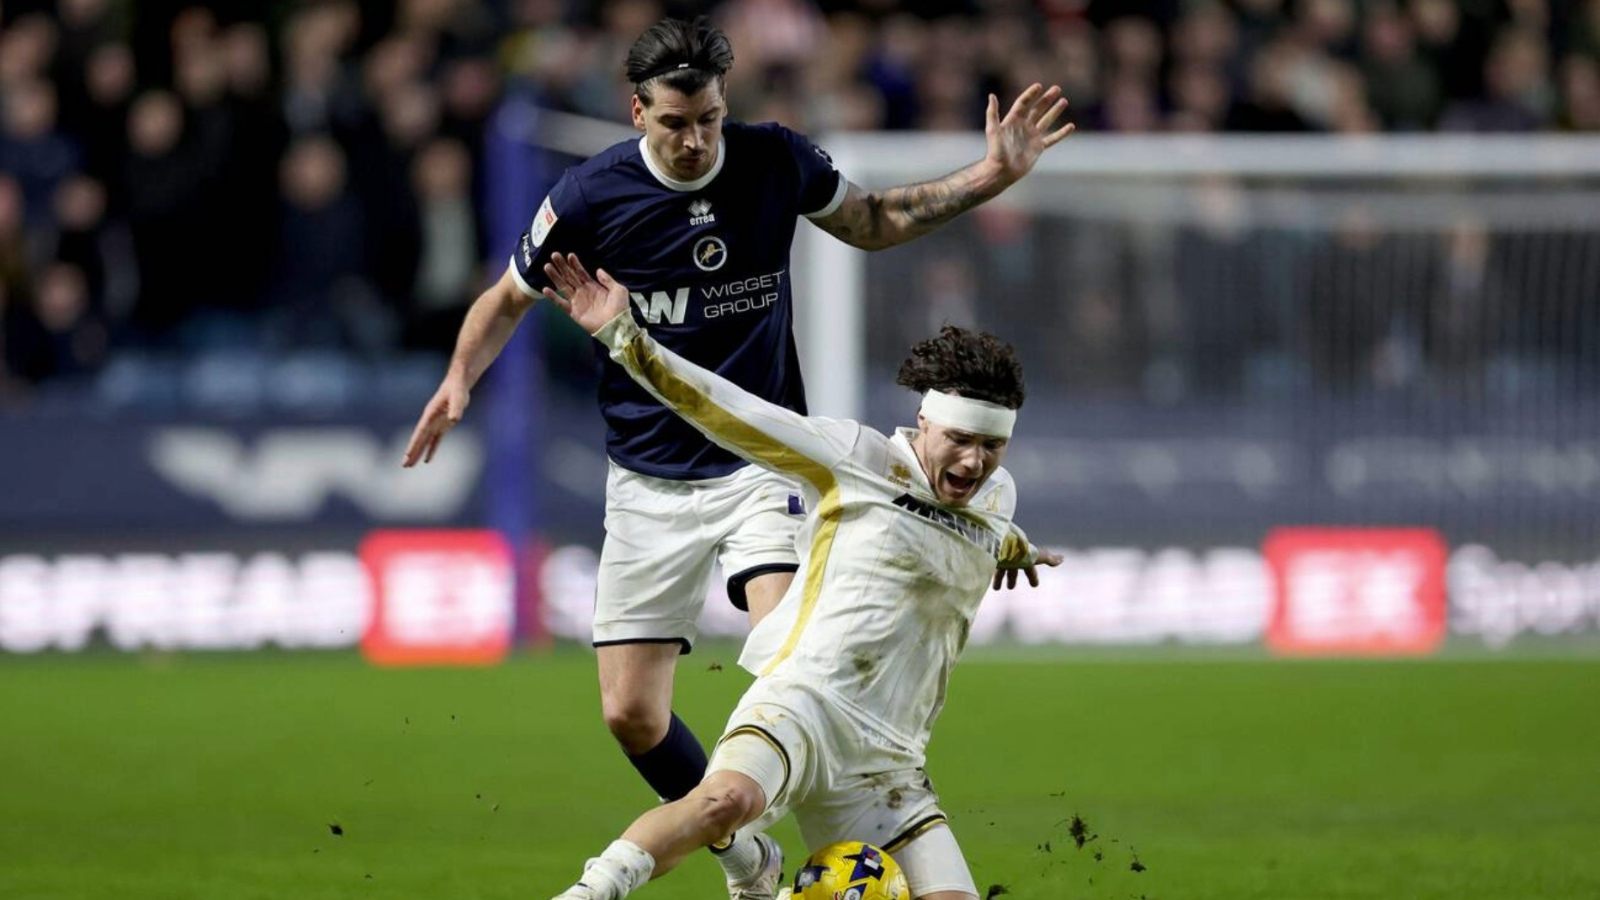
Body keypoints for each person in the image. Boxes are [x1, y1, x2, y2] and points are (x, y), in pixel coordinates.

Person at [401, 17, 1073, 898]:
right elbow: (505, 298)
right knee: (630, 714)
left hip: (764, 465)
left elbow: (871, 221)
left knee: (786, 642)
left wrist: (989, 176)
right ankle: (746, 851)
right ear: (636, 110)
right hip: (647, 475)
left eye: (710, 118)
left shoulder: (774, 161)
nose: (695, 139)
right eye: (675, 122)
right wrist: (459, 381)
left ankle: (811, 799)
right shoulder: (590, 197)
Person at [538, 252, 1063, 900]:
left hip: (890, 764)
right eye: (959, 439)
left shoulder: (995, 497)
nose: (974, 459)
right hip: (803, 705)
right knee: (719, 804)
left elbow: (980, 526)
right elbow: (727, 410)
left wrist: (1013, 548)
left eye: (992, 447)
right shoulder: (855, 459)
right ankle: (591, 892)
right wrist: (627, 339)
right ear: (923, 423)